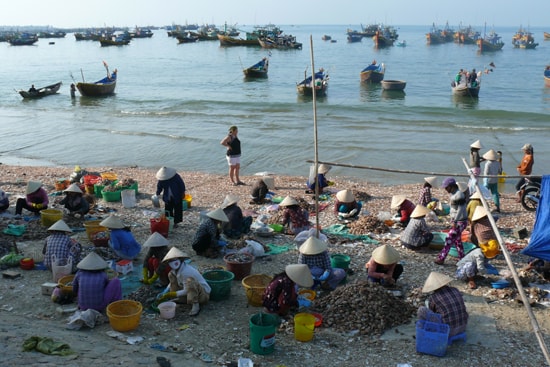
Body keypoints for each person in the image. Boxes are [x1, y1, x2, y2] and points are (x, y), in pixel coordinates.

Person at [457, 206, 501, 289]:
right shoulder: (479, 253)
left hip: (484, 242)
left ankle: (473, 276)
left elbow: (484, 263)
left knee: (481, 263)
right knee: (472, 264)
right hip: (461, 272)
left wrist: (492, 269)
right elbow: (481, 268)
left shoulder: (479, 224)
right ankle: (471, 280)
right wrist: (490, 273)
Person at [158, 247, 210, 316]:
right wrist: (166, 291)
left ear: (180, 259)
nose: (172, 262)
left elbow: (186, 290)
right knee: (170, 275)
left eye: (175, 260)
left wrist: (171, 294)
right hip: (189, 291)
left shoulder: (186, 271)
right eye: (170, 261)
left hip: (202, 294)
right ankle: (180, 299)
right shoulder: (174, 271)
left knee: (190, 281)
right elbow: (171, 283)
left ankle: (195, 305)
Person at [418, 272, 468, 337]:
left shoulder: (434, 297)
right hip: (463, 327)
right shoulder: (455, 290)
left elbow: (432, 313)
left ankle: (423, 331)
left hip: (448, 331)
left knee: (421, 310)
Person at [435, 178, 468, 265]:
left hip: (460, 221)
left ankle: (442, 258)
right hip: (457, 221)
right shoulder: (453, 194)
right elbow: (454, 208)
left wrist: (455, 221)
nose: (446, 189)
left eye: (447, 187)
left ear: (452, 186)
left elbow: (461, 209)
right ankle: (462, 258)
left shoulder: (459, 195)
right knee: (457, 241)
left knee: (449, 239)